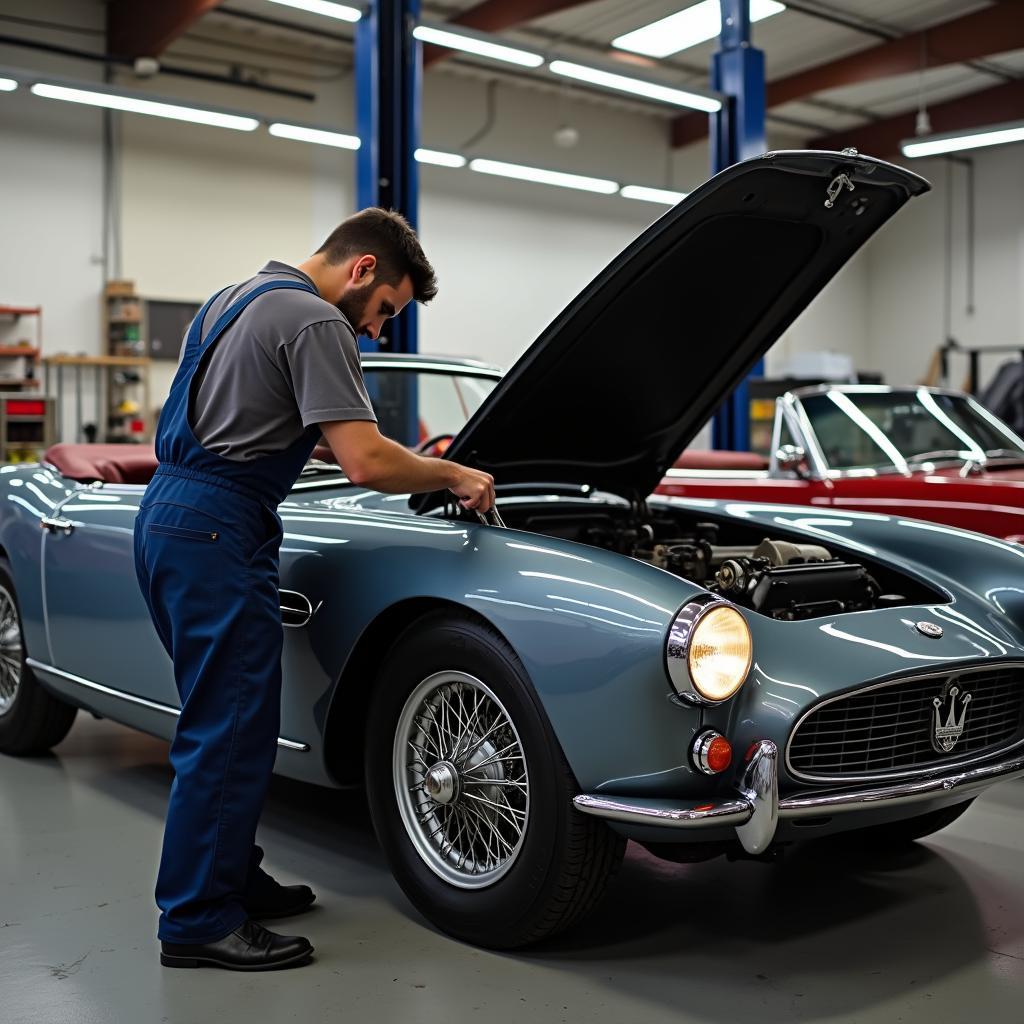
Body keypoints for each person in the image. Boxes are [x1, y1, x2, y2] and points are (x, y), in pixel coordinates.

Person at [133, 208, 494, 971]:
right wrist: (454, 472)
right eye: (384, 311)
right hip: (216, 528)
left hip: (169, 515)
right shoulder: (315, 321)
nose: (373, 331)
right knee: (227, 726)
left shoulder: (233, 300)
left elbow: (249, 426)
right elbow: (366, 462)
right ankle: (198, 919)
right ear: (361, 270)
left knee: (228, 717)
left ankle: (228, 876)